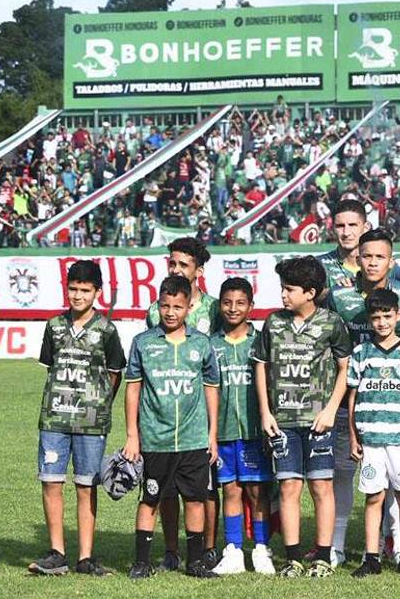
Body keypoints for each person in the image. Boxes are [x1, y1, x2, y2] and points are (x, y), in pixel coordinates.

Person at [327, 229, 400, 566]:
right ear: (358, 257)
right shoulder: (339, 297)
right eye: (366, 256)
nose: (372, 262)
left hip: (398, 418)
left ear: (391, 260)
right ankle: (339, 547)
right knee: (349, 480)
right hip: (352, 403)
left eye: (379, 257)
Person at [252, 256, 353, 577]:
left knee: (322, 488)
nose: (283, 295)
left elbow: (345, 368)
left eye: (289, 289)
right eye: (283, 288)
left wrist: (330, 409)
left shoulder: (331, 323)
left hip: (318, 421)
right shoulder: (273, 323)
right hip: (283, 421)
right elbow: (260, 365)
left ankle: (323, 557)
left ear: (310, 292)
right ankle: (293, 558)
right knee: (288, 490)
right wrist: (266, 411)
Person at [31, 260, 125, 577]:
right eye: (73, 288)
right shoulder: (54, 325)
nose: (78, 295)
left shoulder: (107, 330)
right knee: (51, 482)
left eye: (85, 290)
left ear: (97, 292)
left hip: (91, 422)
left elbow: (115, 372)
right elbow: (51, 365)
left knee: (87, 486)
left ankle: (85, 557)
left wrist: (98, 404)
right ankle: (57, 553)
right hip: (55, 418)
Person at [123, 275, 221, 579]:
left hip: (193, 439)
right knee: (150, 498)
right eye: (165, 305)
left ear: (188, 307)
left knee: (194, 499)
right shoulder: (143, 343)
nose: (170, 312)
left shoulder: (201, 344)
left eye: (177, 306)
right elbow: (133, 389)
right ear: (158, 304)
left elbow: (211, 389)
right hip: (155, 439)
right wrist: (132, 435)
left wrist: (212, 434)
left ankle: (194, 562)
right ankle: (142, 561)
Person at [144, 237, 221, 570]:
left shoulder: (218, 308)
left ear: (198, 271)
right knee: (167, 489)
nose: (175, 269)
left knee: (206, 487)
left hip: (210, 406)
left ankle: (207, 548)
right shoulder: (154, 311)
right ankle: (172, 551)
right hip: (168, 412)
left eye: (183, 264)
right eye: (171, 263)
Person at [346, 288, 400, 578]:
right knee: (374, 498)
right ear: (369, 320)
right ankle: (372, 557)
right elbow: (353, 397)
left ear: (397, 315)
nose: (382, 322)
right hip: (371, 442)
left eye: (387, 316)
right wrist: (354, 436)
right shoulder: (361, 354)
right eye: (376, 317)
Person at [208, 278, 274, 576]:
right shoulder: (211, 344)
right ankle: (233, 549)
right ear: (219, 304)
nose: (233, 309)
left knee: (257, 490)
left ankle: (261, 548)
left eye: (240, 303)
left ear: (251, 306)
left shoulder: (260, 341)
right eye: (227, 302)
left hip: (253, 432)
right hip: (221, 432)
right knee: (230, 489)